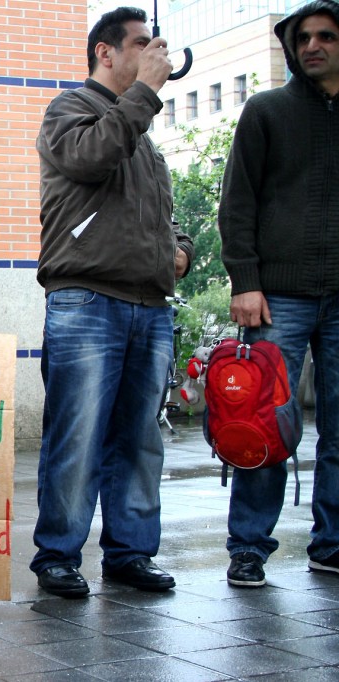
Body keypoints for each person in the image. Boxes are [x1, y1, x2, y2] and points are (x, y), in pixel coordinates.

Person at [30, 6, 194, 599]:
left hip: (149, 305)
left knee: (140, 438)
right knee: (77, 434)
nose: (154, 55)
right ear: (106, 52)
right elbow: (89, 158)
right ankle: (58, 555)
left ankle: (129, 552)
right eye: (142, 44)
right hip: (87, 299)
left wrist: (180, 248)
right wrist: (146, 92)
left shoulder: (143, 136)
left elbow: (160, 216)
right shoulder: (69, 110)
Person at [217, 0, 339, 589]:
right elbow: (237, 203)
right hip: (278, 298)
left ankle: (331, 543)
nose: (313, 46)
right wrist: (246, 281)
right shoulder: (266, 111)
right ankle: (248, 547)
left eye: (326, 36)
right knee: (261, 425)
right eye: (303, 38)